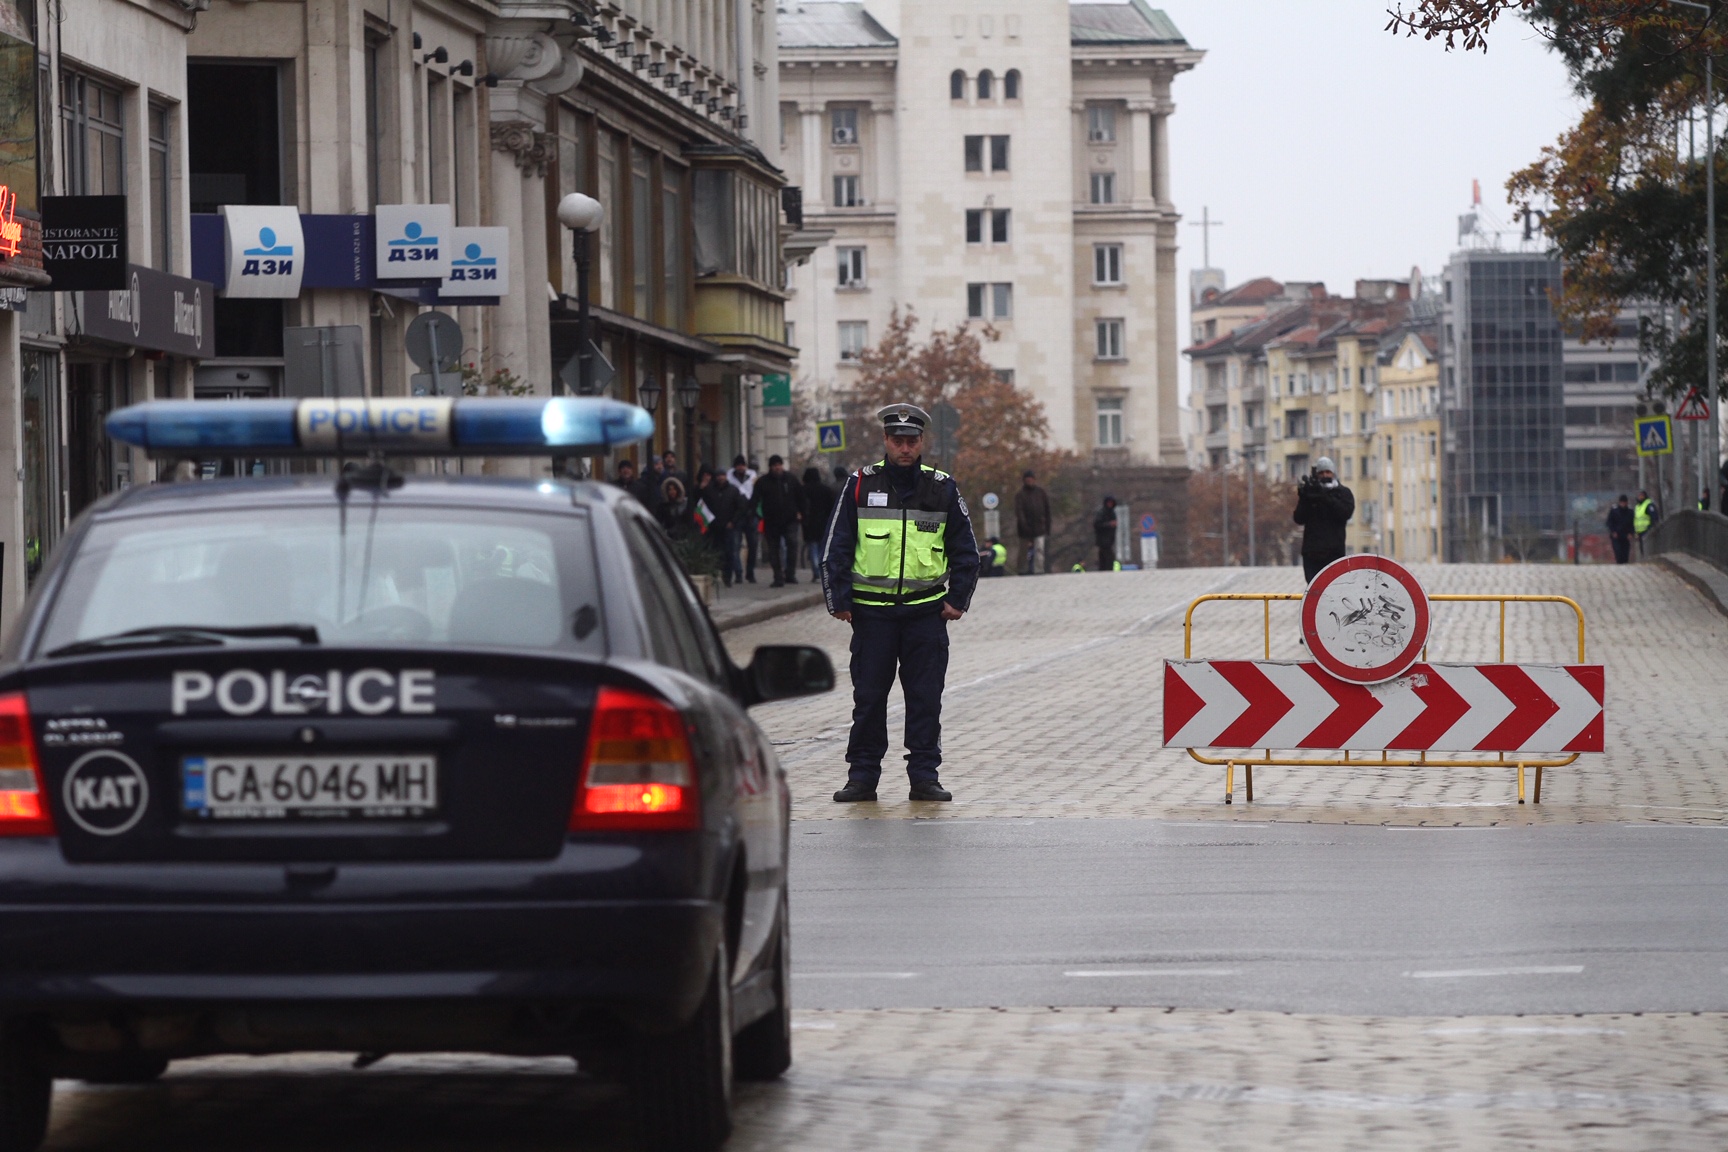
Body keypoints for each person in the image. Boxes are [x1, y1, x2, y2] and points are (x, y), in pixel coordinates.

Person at [822, 403, 980, 803]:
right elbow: (835, 547)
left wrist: (958, 600)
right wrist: (838, 599)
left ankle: (924, 776)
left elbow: (967, 551)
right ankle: (862, 777)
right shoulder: (860, 484)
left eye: (911, 441)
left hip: (925, 614)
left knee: (925, 699)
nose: (905, 448)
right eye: (897, 440)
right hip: (871, 615)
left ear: (922, 442)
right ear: (886, 440)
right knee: (869, 699)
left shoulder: (942, 488)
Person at [1293, 456, 1355, 582]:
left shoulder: (1342, 492)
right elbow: (1299, 518)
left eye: (1328, 472)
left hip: (1334, 552)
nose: (1325, 475)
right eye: (1321, 473)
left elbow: (1345, 513)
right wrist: (1305, 498)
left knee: (1334, 588)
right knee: (1314, 589)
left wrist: (1325, 497)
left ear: (1333, 473)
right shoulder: (1311, 493)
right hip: (1312, 553)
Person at [757, 455, 805, 587]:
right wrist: (757, 515)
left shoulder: (791, 479)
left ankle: (790, 573)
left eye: (779, 465)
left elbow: (801, 497)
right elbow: (755, 500)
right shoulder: (763, 482)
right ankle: (778, 577)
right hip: (771, 521)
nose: (777, 467)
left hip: (790, 519)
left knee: (792, 543)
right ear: (770, 467)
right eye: (775, 465)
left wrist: (802, 513)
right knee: (773, 549)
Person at [697, 468, 742, 581]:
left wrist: (733, 522)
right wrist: (701, 489)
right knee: (714, 551)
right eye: (718, 475)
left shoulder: (733, 490)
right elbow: (701, 503)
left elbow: (740, 508)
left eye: (723, 475)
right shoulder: (709, 490)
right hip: (713, 527)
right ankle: (714, 575)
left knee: (729, 552)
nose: (721, 478)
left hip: (728, 526)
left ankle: (727, 577)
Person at [727, 456, 759, 583]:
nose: (740, 467)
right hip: (736, 516)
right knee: (735, 546)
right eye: (738, 465)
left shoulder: (752, 477)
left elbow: (757, 495)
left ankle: (750, 573)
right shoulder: (729, 478)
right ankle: (738, 573)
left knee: (753, 545)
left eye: (742, 465)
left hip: (751, 516)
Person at [1014, 470, 1052, 575]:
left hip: (1039, 527)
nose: (1029, 481)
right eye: (1027, 479)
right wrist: (1024, 525)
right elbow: (1019, 511)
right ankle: (1022, 569)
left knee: (1039, 549)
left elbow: (1047, 510)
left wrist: (1048, 526)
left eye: (1031, 479)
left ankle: (1039, 569)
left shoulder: (1041, 493)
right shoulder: (1020, 495)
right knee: (1023, 551)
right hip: (1024, 529)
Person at [802, 466, 837, 576]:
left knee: (812, 547)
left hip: (809, 523)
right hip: (823, 522)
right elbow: (831, 507)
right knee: (823, 548)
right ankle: (822, 570)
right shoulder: (825, 489)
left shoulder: (804, 490)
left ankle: (816, 571)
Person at [1606, 494, 1635, 565]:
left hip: (1626, 535)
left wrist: (1631, 533)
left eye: (1624, 502)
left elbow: (1633, 523)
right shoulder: (1614, 511)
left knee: (1625, 554)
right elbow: (1609, 522)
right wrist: (1613, 531)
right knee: (1618, 552)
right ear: (1619, 502)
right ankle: (1619, 564)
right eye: (1622, 502)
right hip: (1616, 535)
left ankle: (1624, 565)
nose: (1623, 504)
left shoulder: (1630, 512)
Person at [1093, 495, 1120, 571]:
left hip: (1109, 540)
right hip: (1103, 540)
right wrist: (1109, 524)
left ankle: (1103, 571)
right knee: (1109, 558)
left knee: (1103, 558)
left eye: (1111, 503)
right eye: (1109, 503)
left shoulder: (1112, 513)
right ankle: (1107, 572)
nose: (1110, 504)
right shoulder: (1101, 512)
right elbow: (1097, 524)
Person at [1634, 489, 1660, 556]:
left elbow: (1654, 516)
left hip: (1647, 530)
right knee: (1642, 549)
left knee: (1648, 549)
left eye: (1641, 495)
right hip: (1640, 531)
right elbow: (1636, 520)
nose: (1640, 497)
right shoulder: (1637, 506)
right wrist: (1636, 532)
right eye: (1639, 495)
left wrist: (1651, 527)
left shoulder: (1648, 505)